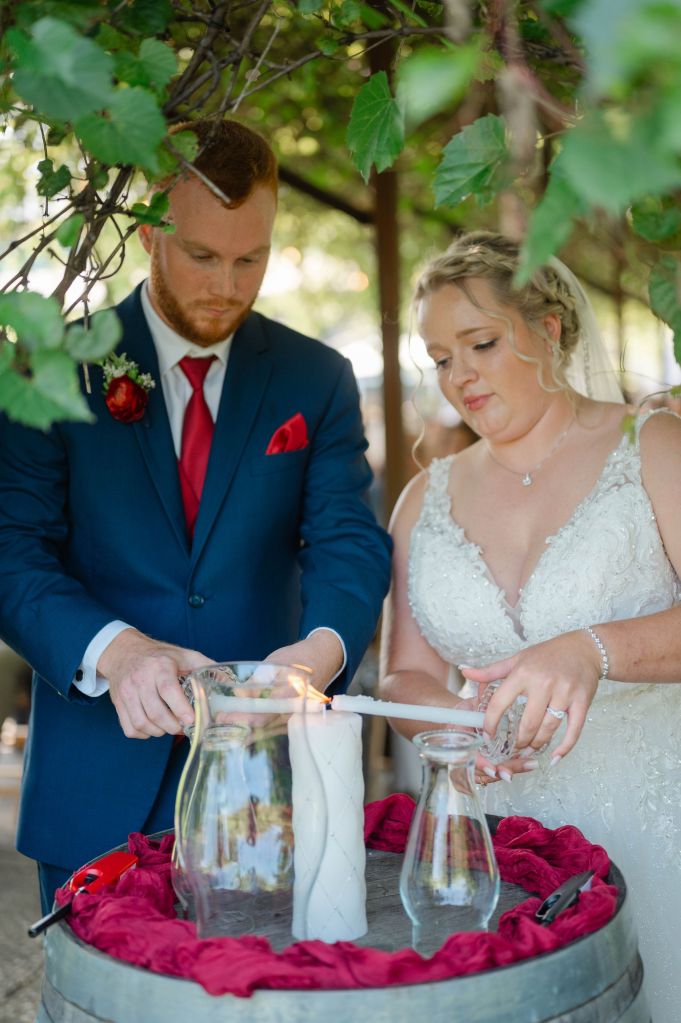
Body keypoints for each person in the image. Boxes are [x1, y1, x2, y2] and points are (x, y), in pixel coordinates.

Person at [0, 118, 391, 914]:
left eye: (251, 257)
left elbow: (347, 537)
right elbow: (11, 547)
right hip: (96, 779)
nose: (228, 283)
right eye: (203, 255)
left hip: (270, 779)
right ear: (149, 233)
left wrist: (318, 655)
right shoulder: (53, 366)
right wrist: (116, 654)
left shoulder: (317, 379)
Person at [380, 231, 681, 1022]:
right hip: (497, 849)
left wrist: (593, 649)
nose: (458, 376)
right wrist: (455, 729)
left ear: (548, 330)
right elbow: (403, 675)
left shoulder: (649, 444)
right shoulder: (423, 499)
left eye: (479, 343)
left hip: (657, 828)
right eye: (440, 357)